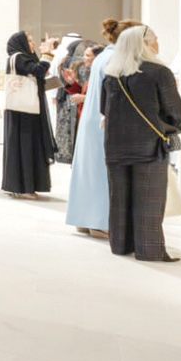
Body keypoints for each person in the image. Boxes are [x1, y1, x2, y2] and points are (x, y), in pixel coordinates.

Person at [101, 25, 181, 262]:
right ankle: (149, 250)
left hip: (115, 146)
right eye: (155, 39)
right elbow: (176, 111)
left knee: (119, 199)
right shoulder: (159, 72)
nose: (158, 43)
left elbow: (104, 109)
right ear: (145, 44)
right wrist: (176, 123)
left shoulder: (112, 76)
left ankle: (121, 245)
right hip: (149, 146)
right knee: (149, 200)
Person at [67, 18, 143, 236]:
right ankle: (100, 222)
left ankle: (83, 218)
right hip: (103, 120)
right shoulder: (116, 57)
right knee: (102, 171)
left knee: (88, 170)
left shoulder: (103, 56)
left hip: (91, 119)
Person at [1, 31, 59, 198]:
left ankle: (26, 185)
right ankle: (23, 187)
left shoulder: (24, 58)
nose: (33, 44)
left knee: (29, 145)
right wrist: (47, 53)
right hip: (23, 112)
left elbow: (38, 77)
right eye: (30, 41)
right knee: (25, 145)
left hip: (28, 110)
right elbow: (38, 71)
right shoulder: (18, 58)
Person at [54, 41, 96, 163]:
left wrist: (83, 98)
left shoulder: (99, 73)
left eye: (87, 55)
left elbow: (102, 97)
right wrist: (72, 83)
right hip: (82, 115)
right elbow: (82, 90)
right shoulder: (89, 70)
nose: (83, 58)